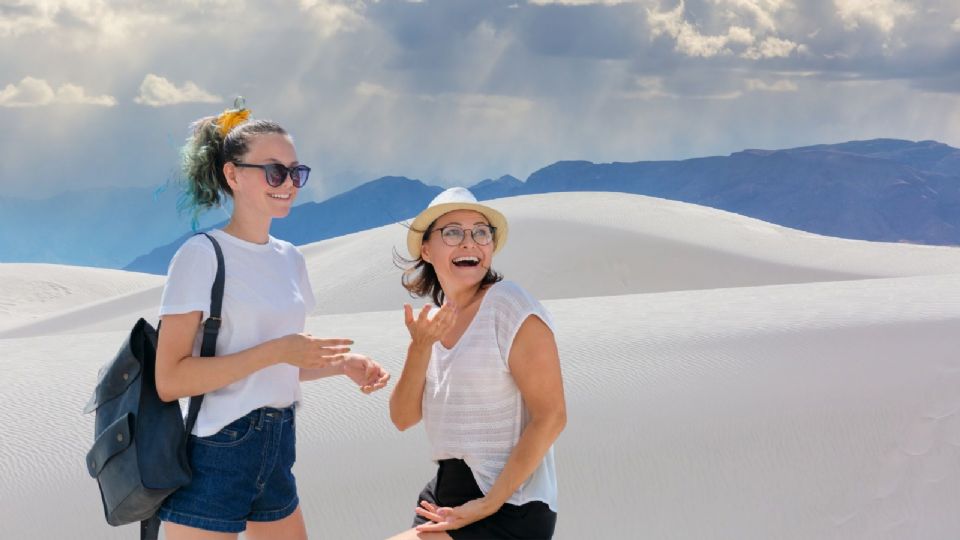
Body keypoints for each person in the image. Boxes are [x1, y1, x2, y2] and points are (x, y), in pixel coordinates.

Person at [154, 102, 390, 539]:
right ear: (232, 174)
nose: (288, 184)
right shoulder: (201, 256)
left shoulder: (290, 259)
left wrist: (342, 365)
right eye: (274, 172)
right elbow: (170, 380)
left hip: (278, 445)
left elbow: (280, 365)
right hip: (216, 450)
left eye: (296, 173)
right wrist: (276, 351)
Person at [388, 187, 566, 540]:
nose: (469, 242)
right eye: (453, 232)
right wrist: (420, 347)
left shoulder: (509, 304)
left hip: (510, 506)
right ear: (427, 249)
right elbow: (402, 417)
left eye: (481, 232)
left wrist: (488, 504)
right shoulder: (435, 323)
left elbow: (552, 415)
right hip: (443, 498)